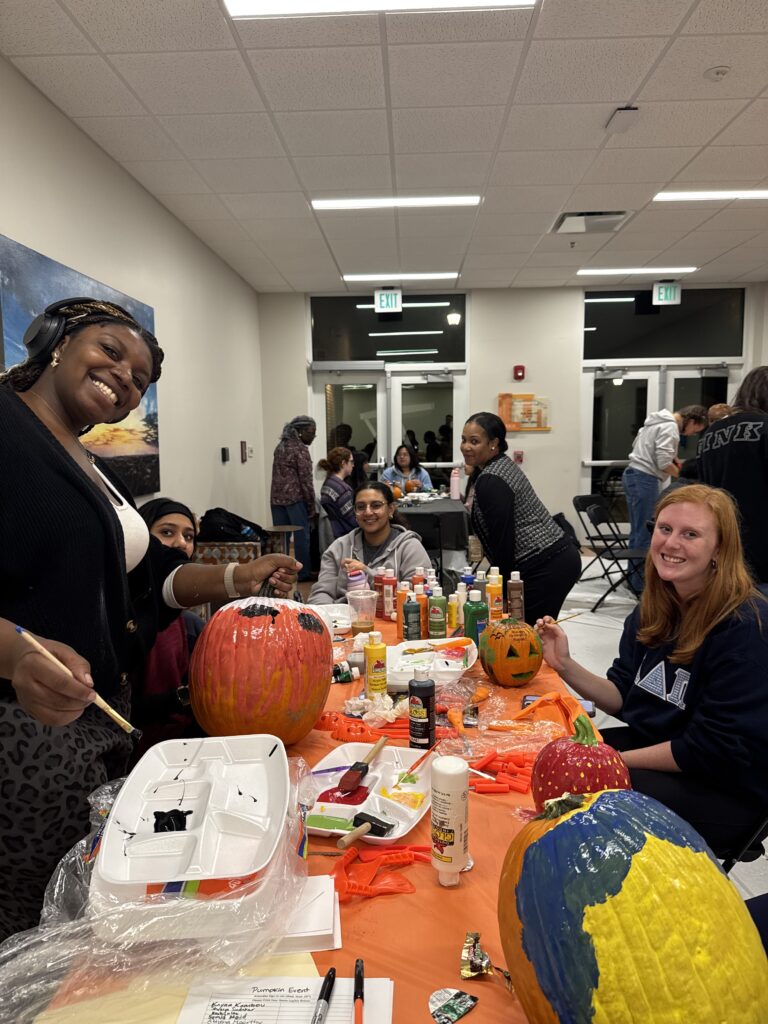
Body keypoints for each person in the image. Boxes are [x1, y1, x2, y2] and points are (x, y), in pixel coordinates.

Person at [0, 297, 298, 940]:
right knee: (37, 928)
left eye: (140, 379)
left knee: (92, 917)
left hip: (100, 722)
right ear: (55, 341)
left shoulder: (93, 467)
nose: (125, 380)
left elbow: (147, 581)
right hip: (23, 736)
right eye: (111, 352)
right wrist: (14, 652)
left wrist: (232, 578)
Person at [536, 484, 768, 855]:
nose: (671, 543)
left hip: (726, 790)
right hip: (665, 750)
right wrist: (563, 663)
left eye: (690, 534)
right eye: (665, 529)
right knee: (550, 757)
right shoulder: (655, 609)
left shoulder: (746, 629)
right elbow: (626, 698)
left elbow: (710, 748)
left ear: (719, 550)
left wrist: (606, 762)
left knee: (580, 793)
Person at [461, 412, 580, 624]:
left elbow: (503, 542)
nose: (466, 447)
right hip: (552, 558)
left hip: (546, 566)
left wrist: (505, 593)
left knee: (525, 634)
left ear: (493, 443)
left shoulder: (492, 480)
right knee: (533, 633)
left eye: (474, 441)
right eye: (464, 440)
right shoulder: (495, 467)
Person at [133, 498, 205, 758]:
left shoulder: (190, 626)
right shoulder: (122, 619)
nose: (181, 543)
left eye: (189, 536)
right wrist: (185, 697)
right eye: (166, 532)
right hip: (132, 757)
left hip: (187, 749)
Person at [623, 405, 708, 591]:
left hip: (634, 475)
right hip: (644, 478)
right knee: (647, 531)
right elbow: (662, 462)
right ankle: (640, 584)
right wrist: (684, 475)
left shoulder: (655, 422)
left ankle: (633, 578)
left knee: (637, 531)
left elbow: (659, 453)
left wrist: (675, 459)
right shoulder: (670, 428)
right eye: (696, 430)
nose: (692, 434)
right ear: (692, 421)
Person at [308, 481, 431, 605]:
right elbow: (321, 593)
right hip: (345, 619)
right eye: (361, 507)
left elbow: (418, 598)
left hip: (394, 621)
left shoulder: (410, 547)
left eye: (376, 505)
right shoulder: (338, 548)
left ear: (391, 510)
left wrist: (368, 572)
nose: (367, 512)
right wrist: (327, 617)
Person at [699, 367, 768, 583]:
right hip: (762, 539)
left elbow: (703, 487)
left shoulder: (711, 433)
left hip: (722, 536)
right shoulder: (765, 428)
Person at [270, 415, 316, 582]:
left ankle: (279, 573)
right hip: (296, 500)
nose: (313, 436)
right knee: (301, 538)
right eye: (311, 432)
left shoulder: (280, 446)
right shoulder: (300, 450)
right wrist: (312, 507)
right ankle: (302, 573)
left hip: (276, 500)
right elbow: (306, 481)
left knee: (280, 539)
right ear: (301, 431)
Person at [318, 447, 356, 539]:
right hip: (344, 534)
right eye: (351, 462)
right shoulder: (343, 489)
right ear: (343, 463)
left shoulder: (327, 483)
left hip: (333, 532)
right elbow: (352, 520)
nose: (353, 465)